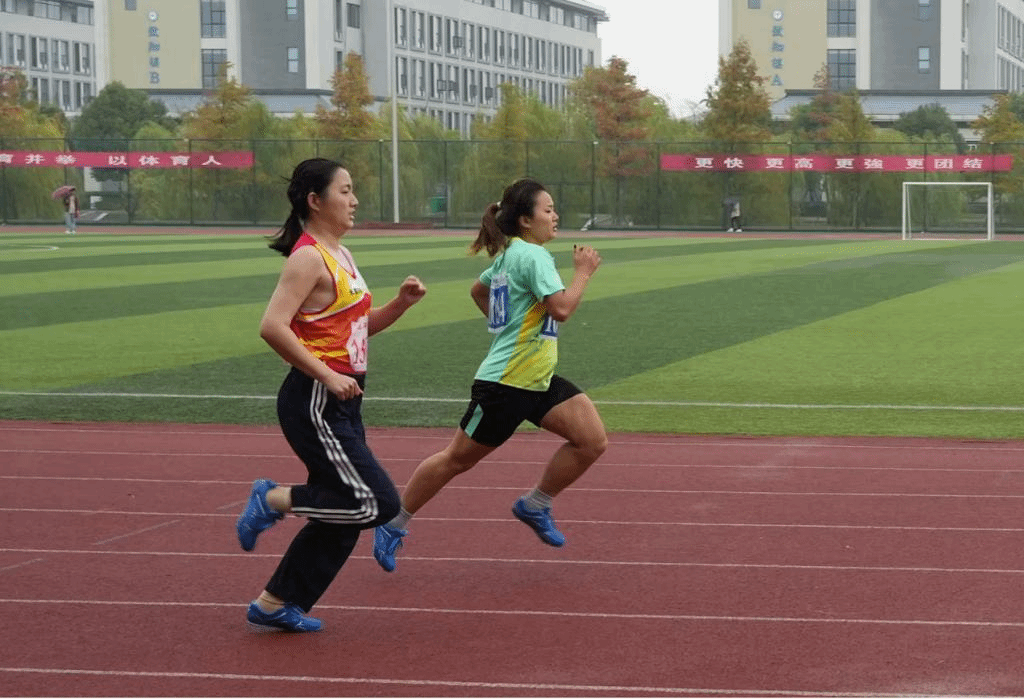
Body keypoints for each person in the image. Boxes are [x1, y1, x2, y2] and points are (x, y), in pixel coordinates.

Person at [372, 177, 607, 572]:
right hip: (506, 384)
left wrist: (507, 328)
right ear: (526, 220)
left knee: (591, 440)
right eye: (548, 210)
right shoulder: (533, 256)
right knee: (456, 460)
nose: (556, 216)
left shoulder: (511, 253)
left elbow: (478, 291)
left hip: (536, 377)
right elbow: (562, 309)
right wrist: (583, 272)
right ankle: (393, 523)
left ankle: (535, 505)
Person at [235, 157, 427, 632]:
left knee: (344, 508)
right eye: (345, 190)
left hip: (342, 397)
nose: (354, 200)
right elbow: (272, 326)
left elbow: (356, 329)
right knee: (375, 503)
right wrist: (326, 376)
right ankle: (271, 499)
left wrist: (399, 305)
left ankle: (276, 603)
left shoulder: (341, 253)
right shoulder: (308, 258)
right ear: (315, 201)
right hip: (315, 399)